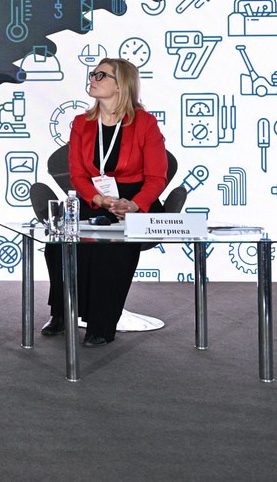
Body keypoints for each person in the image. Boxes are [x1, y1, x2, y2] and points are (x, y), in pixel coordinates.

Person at [42, 57, 167, 347]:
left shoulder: (145, 123)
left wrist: (134, 205)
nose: (93, 79)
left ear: (121, 85)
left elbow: (157, 177)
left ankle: (102, 324)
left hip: (136, 200)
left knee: (111, 248)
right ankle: (61, 312)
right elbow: (77, 174)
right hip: (94, 197)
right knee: (57, 244)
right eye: (93, 74)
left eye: (101, 75)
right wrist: (97, 198)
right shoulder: (81, 123)